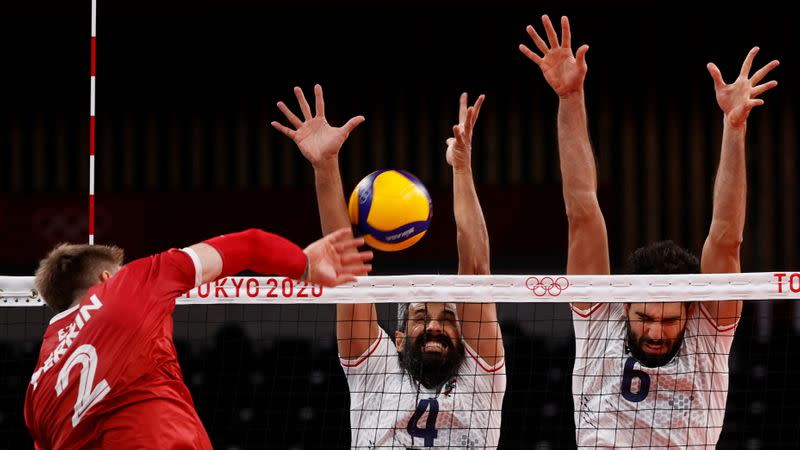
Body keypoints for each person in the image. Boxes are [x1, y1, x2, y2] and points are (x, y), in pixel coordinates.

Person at [520, 14, 779, 448]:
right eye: (644, 317)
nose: (656, 331)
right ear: (624, 306)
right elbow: (582, 210)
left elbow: (725, 238)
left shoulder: (707, 330)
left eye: (668, 319)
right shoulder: (600, 317)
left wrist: (734, 129)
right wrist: (570, 97)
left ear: (689, 312)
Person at [272, 85, 505, 448]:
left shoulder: (481, 377)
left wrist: (461, 167)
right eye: (420, 317)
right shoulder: (375, 370)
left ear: (465, 337)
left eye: (447, 318)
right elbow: (346, 269)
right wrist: (326, 166)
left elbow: (476, 269)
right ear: (397, 340)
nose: (434, 326)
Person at [24, 227, 372, 449]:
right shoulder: (127, 283)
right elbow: (249, 243)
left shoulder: (37, 388)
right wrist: (304, 264)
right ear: (105, 276)